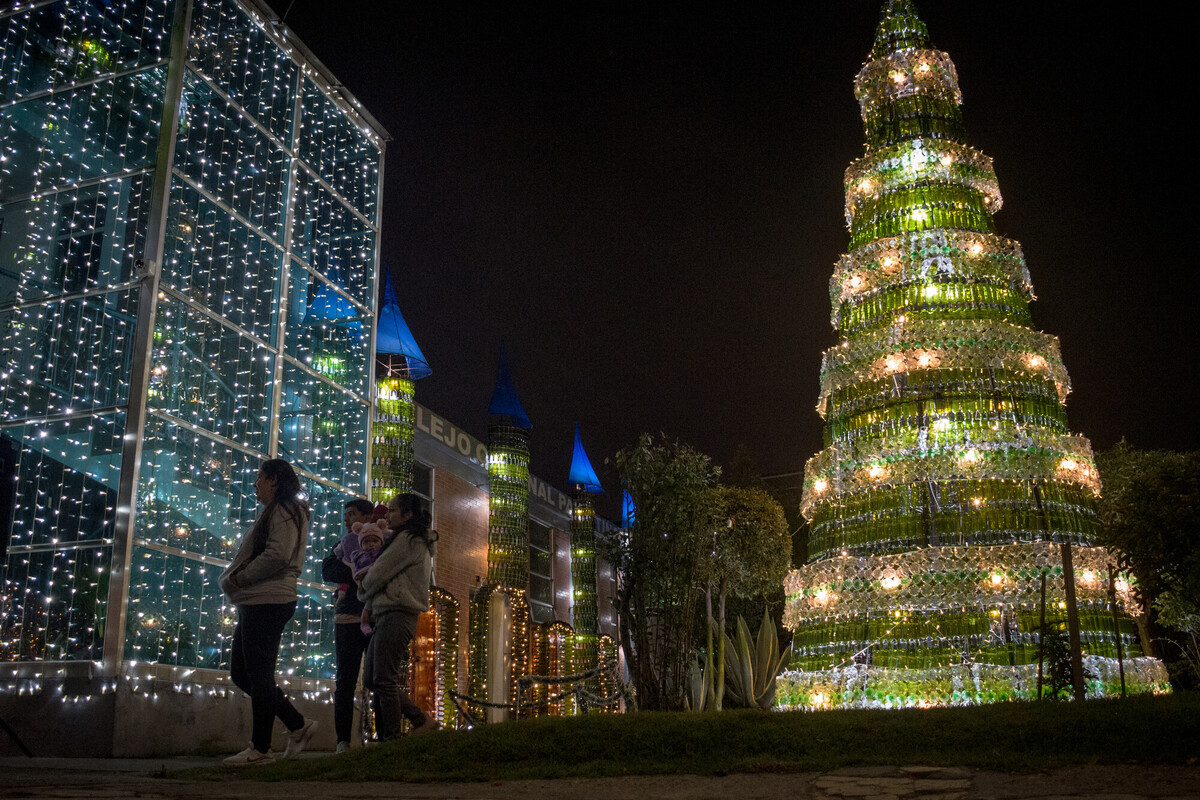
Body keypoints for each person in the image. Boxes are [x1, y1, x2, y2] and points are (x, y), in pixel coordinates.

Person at [219, 459, 317, 766]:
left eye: (260, 478)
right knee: (241, 672)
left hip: (267, 599)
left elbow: (278, 554)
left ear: (274, 480)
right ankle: (297, 724)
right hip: (257, 600)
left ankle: (260, 749)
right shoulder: (280, 510)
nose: (255, 484)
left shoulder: (284, 510)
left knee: (259, 674)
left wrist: (241, 577)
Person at [359, 493, 440, 739]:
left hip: (397, 613)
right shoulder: (409, 539)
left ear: (408, 515)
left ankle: (392, 740)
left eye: (393, 510)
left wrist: (363, 589)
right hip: (390, 613)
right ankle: (419, 720)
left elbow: (379, 572)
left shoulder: (408, 540)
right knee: (374, 678)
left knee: (384, 678)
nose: (387, 515)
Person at [322, 497, 375, 754]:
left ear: (367, 517)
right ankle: (343, 741)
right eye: (345, 515)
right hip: (346, 618)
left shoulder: (379, 539)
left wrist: (357, 569)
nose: (347, 519)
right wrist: (359, 570)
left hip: (373, 617)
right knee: (345, 681)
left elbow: (380, 568)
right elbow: (328, 569)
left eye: (351, 514)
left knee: (377, 679)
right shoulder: (344, 543)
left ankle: (384, 734)